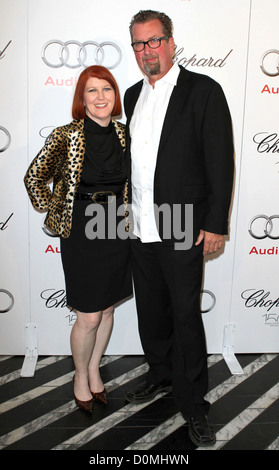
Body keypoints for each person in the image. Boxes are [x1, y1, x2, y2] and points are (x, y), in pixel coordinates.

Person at [124, 10, 234, 446]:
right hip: (137, 224)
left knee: (186, 315)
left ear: (171, 41)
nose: (147, 51)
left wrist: (214, 224)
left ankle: (194, 403)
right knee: (151, 310)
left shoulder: (203, 90)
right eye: (138, 44)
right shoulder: (132, 96)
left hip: (184, 223)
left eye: (154, 41)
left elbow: (220, 161)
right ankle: (161, 375)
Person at [24, 65, 132, 414]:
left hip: (117, 226)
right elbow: (34, 177)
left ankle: (94, 368)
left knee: (108, 308)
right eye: (92, 90)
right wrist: (54, 210)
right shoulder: (66, 135)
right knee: (88, 316)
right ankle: (79, 376)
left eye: (107, 89)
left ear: (115, 96)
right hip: (82, 231)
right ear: (81, 98)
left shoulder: (125, 134)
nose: (101, 97)